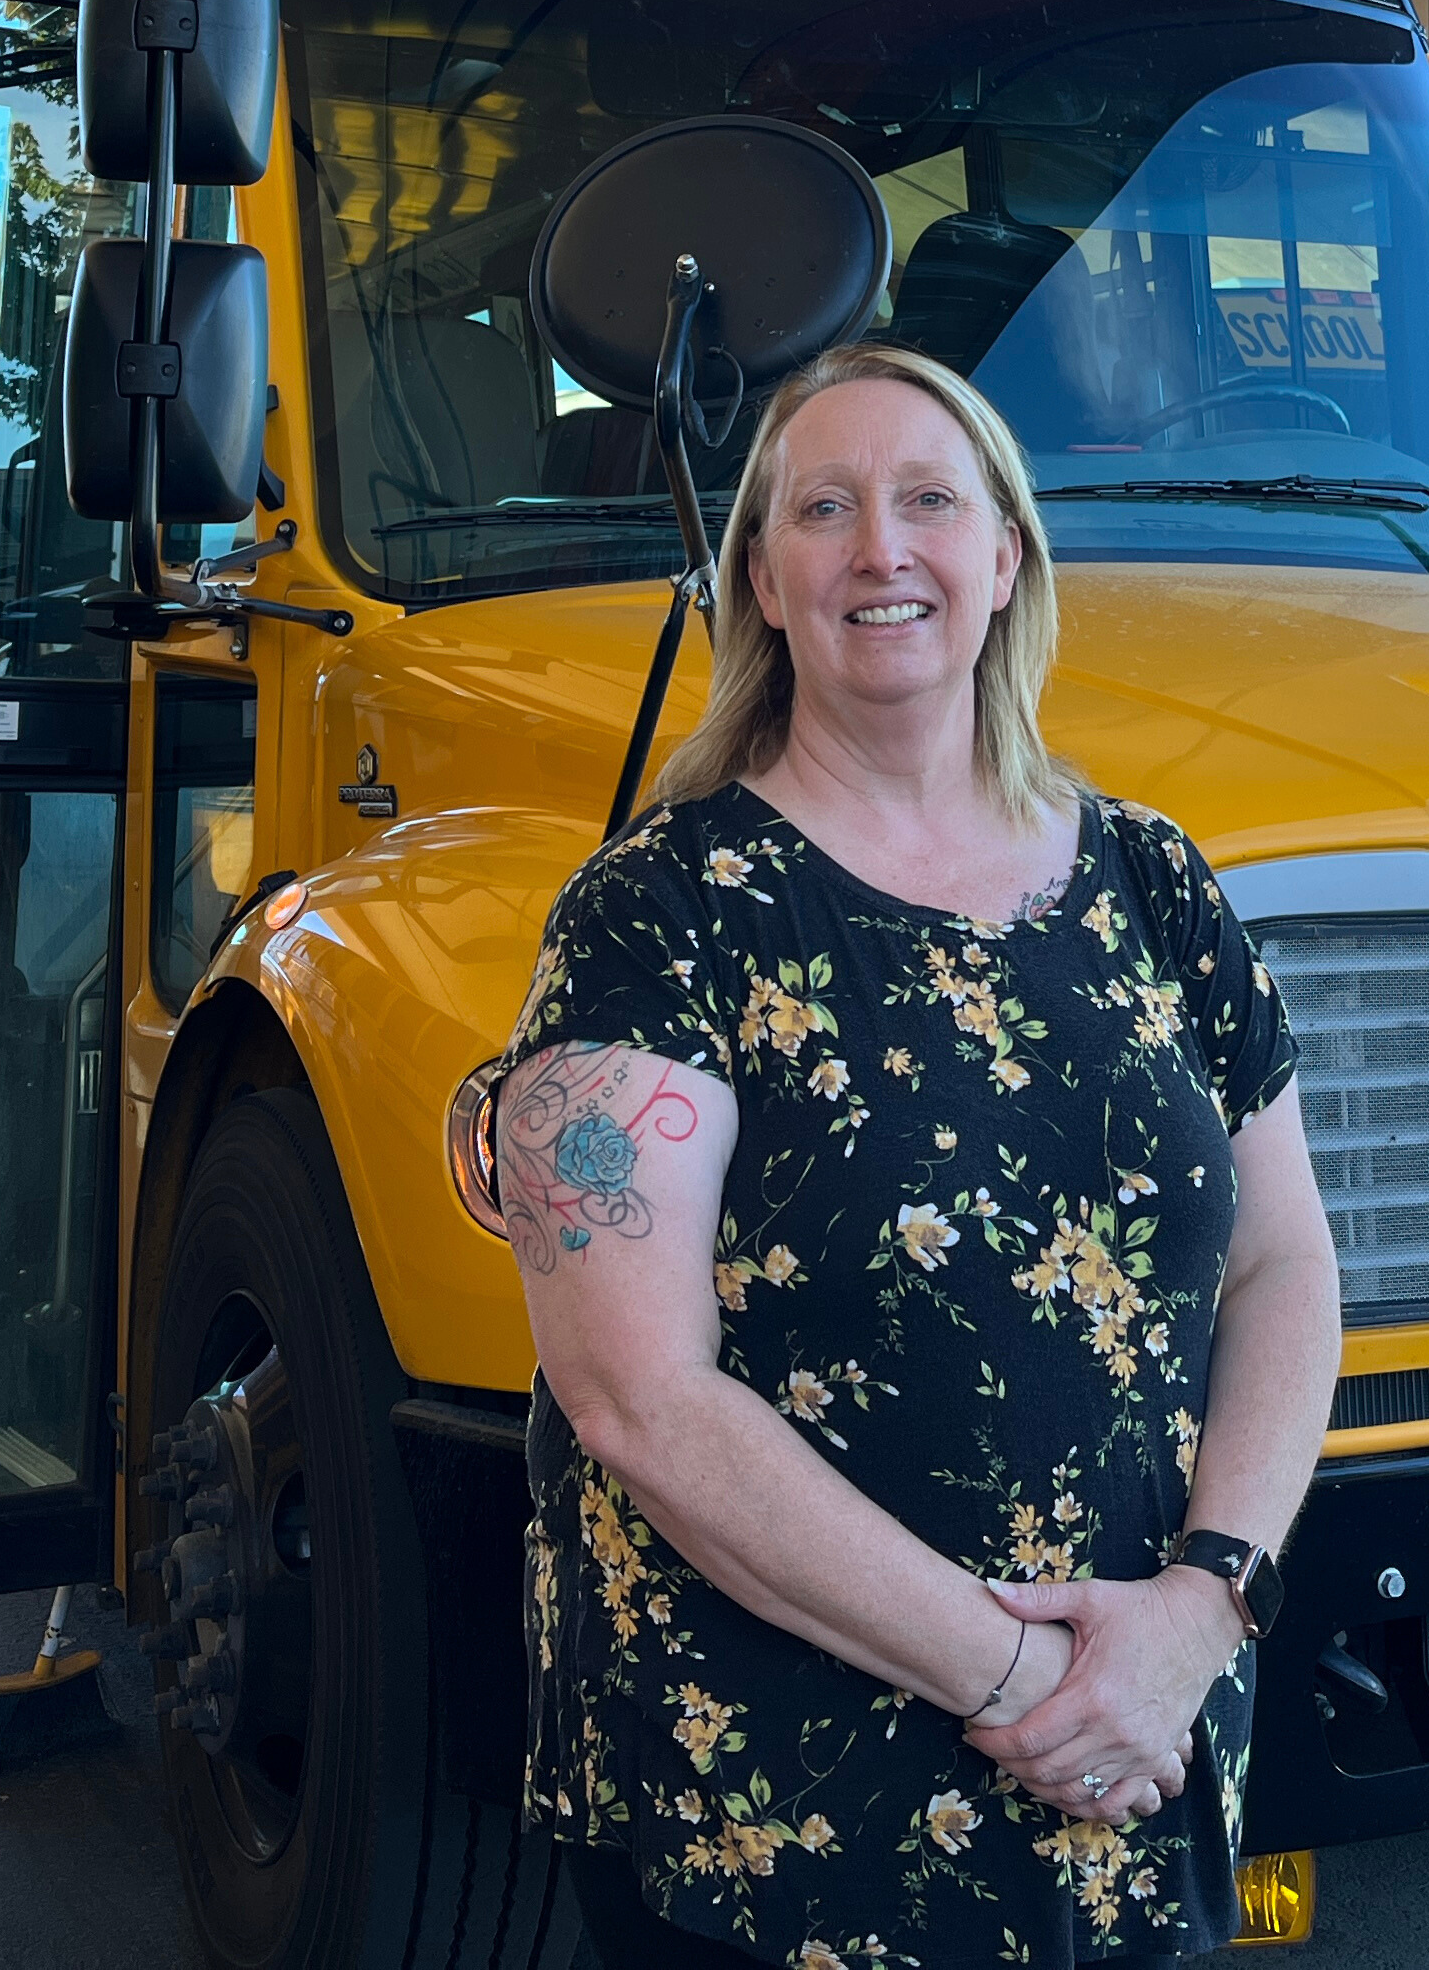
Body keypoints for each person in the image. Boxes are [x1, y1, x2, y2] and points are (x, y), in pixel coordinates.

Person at [497, 342, 1343, 1968]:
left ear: (1007, 552)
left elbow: (1284, 1256)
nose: (882, 547)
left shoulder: (1156, 884)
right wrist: (1029, 1687)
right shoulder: (656, 916)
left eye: (929, 500)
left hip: (1132, 1767)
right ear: (761, 575)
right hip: (784, 1825)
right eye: (825, 507)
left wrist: (1206, 1606)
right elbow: (634, 1397)